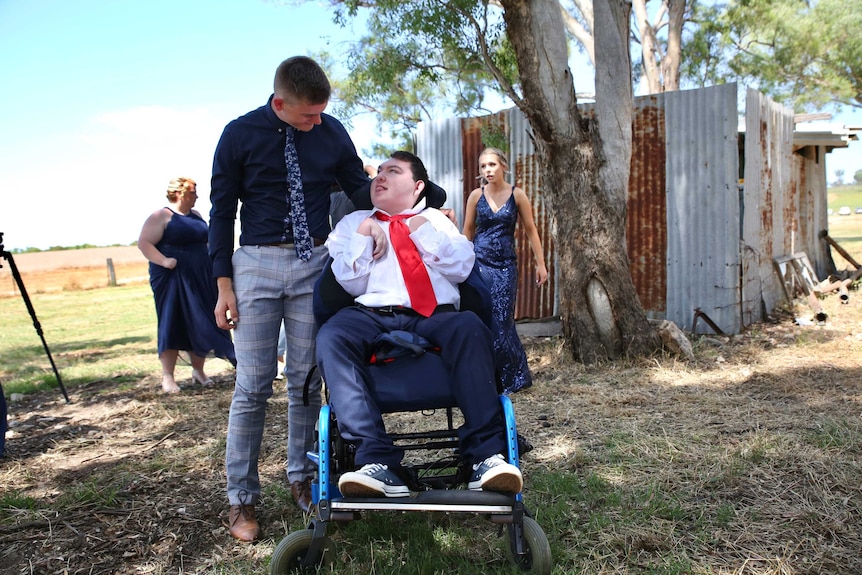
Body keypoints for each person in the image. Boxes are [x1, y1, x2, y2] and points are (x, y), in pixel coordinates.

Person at [209, 57, 448, 542]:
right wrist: (223, 284)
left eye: (320, 113)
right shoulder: (238, 135)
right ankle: (241, 498)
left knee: (303, 377)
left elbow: (361, 188)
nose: (315, 122)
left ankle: (303, 478)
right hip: (254, 262)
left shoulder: (330, 130)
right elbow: (220, 210)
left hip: (313, 262)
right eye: (307, 115)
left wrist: (415, 199)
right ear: (280, 103)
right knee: (253, 384)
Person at [316, 151, 523, 498]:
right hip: (371, 314)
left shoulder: (437, 221)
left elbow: (460, 268)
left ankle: (486, 457)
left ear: (417, 186)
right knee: (332, 335)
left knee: (470, 327)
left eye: (392, 171)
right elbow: (348, 282)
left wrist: (422, 232)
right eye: (378, 171)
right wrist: (366, 234)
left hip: (435, 315)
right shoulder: (352, 224)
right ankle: (378, 462)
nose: (379, 176)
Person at [137, 177, 236, 394]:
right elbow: (144, 243)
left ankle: (198, 371)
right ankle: (168, 377)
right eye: (193, 192)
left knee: (200, 319)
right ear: (181, 193)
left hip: (200, 274)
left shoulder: (197, 216)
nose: (197, 196)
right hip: (172, 276)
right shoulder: (162, 216)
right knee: (173, 321)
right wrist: (164, 261)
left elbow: (208, 241)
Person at [462, 148, 548, 394]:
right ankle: (489, 378)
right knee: (483, 317)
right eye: (483, 166)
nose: (487, 170)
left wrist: (541, 264)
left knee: (503, 318)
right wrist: (458, 265)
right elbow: (467, 231)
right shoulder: (475, 196)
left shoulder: (516, 194)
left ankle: (514, 378)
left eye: (492, 165)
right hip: (479, 264)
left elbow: (531, 230)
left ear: (504, 167)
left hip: (506, 265)